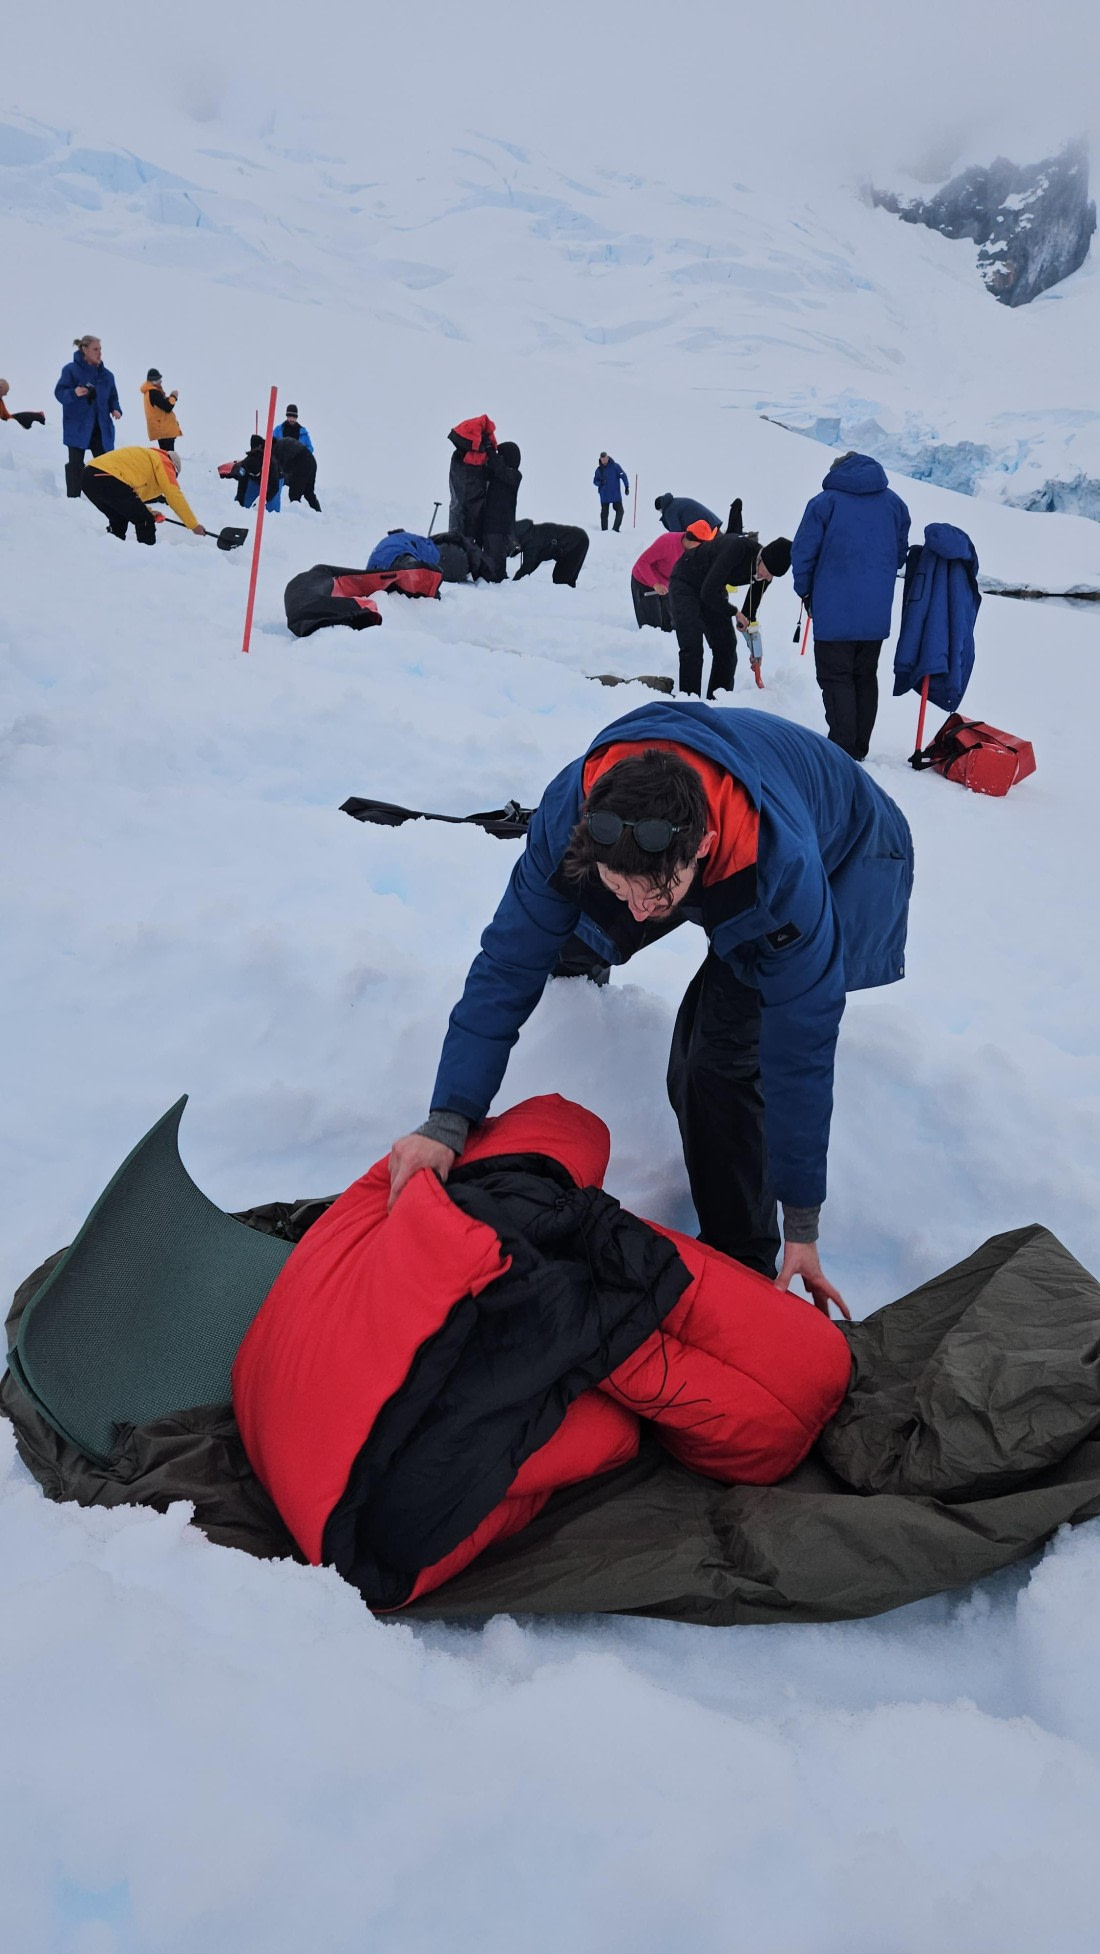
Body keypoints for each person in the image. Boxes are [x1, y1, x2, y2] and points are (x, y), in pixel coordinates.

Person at [387, 703, 914, 1315]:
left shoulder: (785, 873)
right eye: (622, 890)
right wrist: (449, 1117)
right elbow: (506, 965)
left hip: (845, 849)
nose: (638, 912)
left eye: (658, 896)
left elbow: (800, 1049)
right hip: (691, 830)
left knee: (712, 1060)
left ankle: (743, 1254)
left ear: (704, 850)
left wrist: (803, 1224)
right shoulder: (569, 819)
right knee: (563, 930)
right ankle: (615, 910)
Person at [792, 453, 911, 761]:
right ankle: (859, 746)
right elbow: (899, 554)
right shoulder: (894, 504)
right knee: (864, 675)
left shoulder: (824, 503)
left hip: (833, 609)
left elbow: (803, 552)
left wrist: (805, 592)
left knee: (836, 677)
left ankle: (842, 749)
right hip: (875, 611)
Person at [669, 531, 791, 697]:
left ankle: (719, 702)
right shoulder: (737, 548)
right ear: (762, 558)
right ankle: (690, 704)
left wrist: (755, 649)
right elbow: (708, 593)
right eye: (768, 572)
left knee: (726, 647)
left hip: (712, 588)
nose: (768, 578)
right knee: (692, 645)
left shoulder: (765, 574)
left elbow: (749, 612)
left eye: (772, 576)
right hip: (686, 581)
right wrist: (734, 612)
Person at [81, 446, 207, 543]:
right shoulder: (164, 461)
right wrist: (193, 525)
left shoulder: (145, 461)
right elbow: (173, 494)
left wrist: (149, 511)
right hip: (106, 476)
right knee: (144, 521)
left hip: (88, 477)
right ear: (173, 468)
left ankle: (111, 555)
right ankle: (147, 560)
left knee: (119, 519)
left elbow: (129, 499)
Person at [54, 335, 122, 499]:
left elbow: (113, 397)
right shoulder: (70, 370)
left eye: (100, 349)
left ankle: (108, 497)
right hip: (78, 426)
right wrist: (73, 393)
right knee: (76, 464)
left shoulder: (107, 375)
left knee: (106, 465)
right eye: (95, 349)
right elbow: (59, 393)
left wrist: (116, 409)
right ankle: (74, 498)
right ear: (84, 350)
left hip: (101, 427)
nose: (99, 353)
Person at [630, 523, 699, 631]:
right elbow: (643, 562)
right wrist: (655, 584)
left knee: (671, 625)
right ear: (692, 541)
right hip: (644, 582)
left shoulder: (695, 551)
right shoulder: (667, 542)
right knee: (652, 627)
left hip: (667, 585)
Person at [447, 414, 497, 540]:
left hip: (461, 529)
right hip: (474, 529)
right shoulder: (479, 463)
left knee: (459, 509)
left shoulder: (458, 459)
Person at [482, 441, 522, 581]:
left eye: (501, 455)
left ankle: (497, 584)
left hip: (500, 525)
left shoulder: (514, 475)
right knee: (489, 557)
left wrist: (490, 450)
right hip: (489, 522)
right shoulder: (497, 474)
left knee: (496, 562)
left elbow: (499, 468)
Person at [510, 518, 589, 587]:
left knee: (561, 580)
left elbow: (527, 567)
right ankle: (571, 599)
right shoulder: (530, 533)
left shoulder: (532, 544)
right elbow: (534, 558)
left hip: (576, 543)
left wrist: (513, 583)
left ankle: (570, 601)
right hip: (577, 537)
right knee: (564, 579)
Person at [140, 370, 181, 451]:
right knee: (169, 456)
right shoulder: (153, 393)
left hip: (162, 430)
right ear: (154, 381)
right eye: (159, 380)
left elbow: (162, 404)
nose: (161, 382)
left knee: (165, 454)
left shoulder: (150, 392)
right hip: (164, 430)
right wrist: (173, 396)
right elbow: (167, 406)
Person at [594, 452, 630, 531]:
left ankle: (615, 529)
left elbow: (623, 475)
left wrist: (626, 486)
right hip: (604, 495)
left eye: (605, 458)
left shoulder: (615, 466)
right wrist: (600, 482)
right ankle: (604, 531)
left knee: (620, 511)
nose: (604, 460)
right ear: (600, 459)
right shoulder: (599, 470)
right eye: (602, 459)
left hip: (615, 495)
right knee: (604, 514)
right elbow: (595, 481)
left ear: (608, 457)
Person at [655, 491, 721, 533]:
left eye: (660, 511)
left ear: (661, 508)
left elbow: (676, 533)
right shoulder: (678, 501)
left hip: (704, 531)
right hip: (712, 523)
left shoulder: (670, 511)